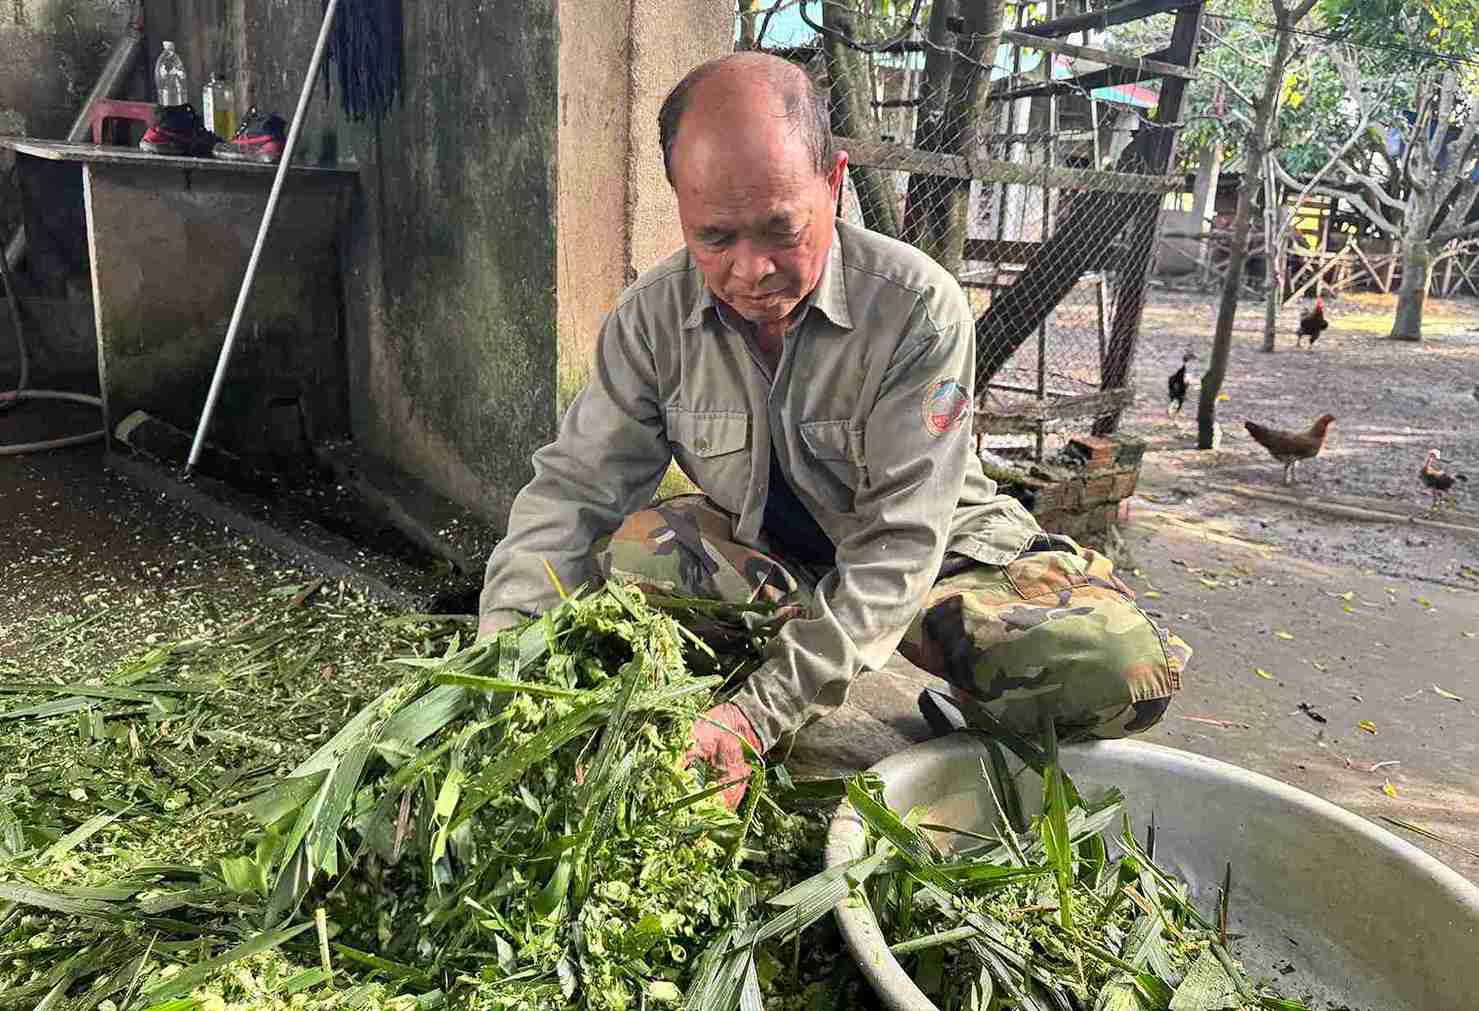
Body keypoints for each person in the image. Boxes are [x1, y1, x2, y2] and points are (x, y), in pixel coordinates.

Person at [478, 52, 1190, 809]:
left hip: (927, 566)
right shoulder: (650, 320)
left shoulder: (917, 308)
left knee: (1119, 670)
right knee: (628, 552)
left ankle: (950, 698)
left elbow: (898, 546)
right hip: (776, 564)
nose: (751, 270)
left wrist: (750, 719)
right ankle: (790, 663)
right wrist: (496, 677)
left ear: (835, 179)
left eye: (780, 230)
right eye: (714, 238)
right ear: (680, 205)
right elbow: (572, 494)